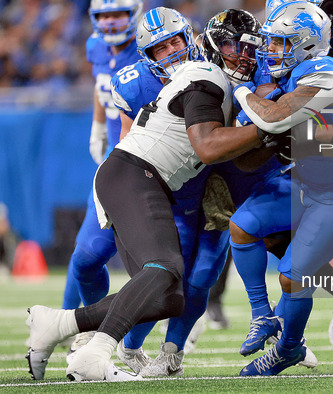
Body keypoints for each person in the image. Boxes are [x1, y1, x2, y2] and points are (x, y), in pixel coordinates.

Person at [25, 16, 268, 382]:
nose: (245, 56)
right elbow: (207, 147)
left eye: (249, 48)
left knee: (170, 296)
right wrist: (268, 126)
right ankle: (96, 353)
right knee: (161, 268)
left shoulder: (210, 78)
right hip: (134, 173)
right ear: (215, 48)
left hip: (145, 180)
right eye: (235, 47)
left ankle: (59, 322)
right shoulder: (206, 77)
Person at [232, 1, 333, 376]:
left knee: (293, 276)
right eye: (272, 42)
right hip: (304, 179)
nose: (271, 50)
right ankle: (263, 315)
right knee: (242, 225)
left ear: (306, 44)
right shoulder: (294, 70)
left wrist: (245, 93)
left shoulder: (323, 71)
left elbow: (273, 119)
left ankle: (288, 348)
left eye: (281, 43)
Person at [110, 7, 230, 377]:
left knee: (204, 275)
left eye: (176, 41)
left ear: (189, 37)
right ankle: (127, 344)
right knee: (166, 283)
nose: (172, 52)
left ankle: (172, 352)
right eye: (160, 49)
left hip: (211, 185)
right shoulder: (136, 84)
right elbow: (130, 143)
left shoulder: (215, 66)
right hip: (168, 192)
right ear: (148, 57)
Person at [59, 0, 143, 355]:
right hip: (114, 161)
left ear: (134, 13)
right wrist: (98, 126)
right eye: (104, 15)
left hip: (147, 163)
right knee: (86, 256)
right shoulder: (96, 46)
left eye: (117, 14)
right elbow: (101, 85)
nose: (110, 23)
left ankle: (163, 341)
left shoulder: (147, 49)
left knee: (158, 267)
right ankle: (80, 324)